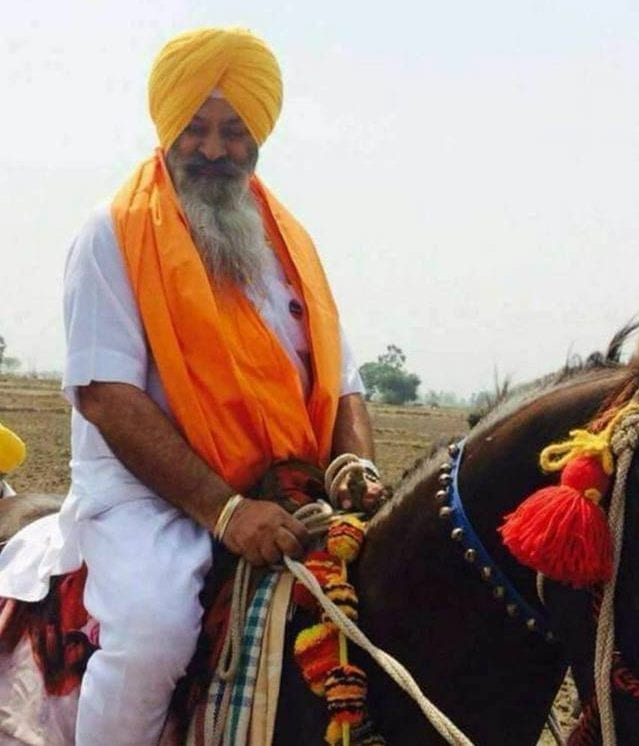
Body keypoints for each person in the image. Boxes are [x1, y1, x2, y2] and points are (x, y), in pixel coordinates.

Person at [0, 27, 384, 746]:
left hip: (289, 490)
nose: (213, 149)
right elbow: (106, 395)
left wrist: (354, 465)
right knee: (152, 635)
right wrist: (225, 510)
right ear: (168, 126)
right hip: (145, 499)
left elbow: (340, 379)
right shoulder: (113, 233)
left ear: (258, 135)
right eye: (196, 128)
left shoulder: (289, 242)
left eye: (233, 131)